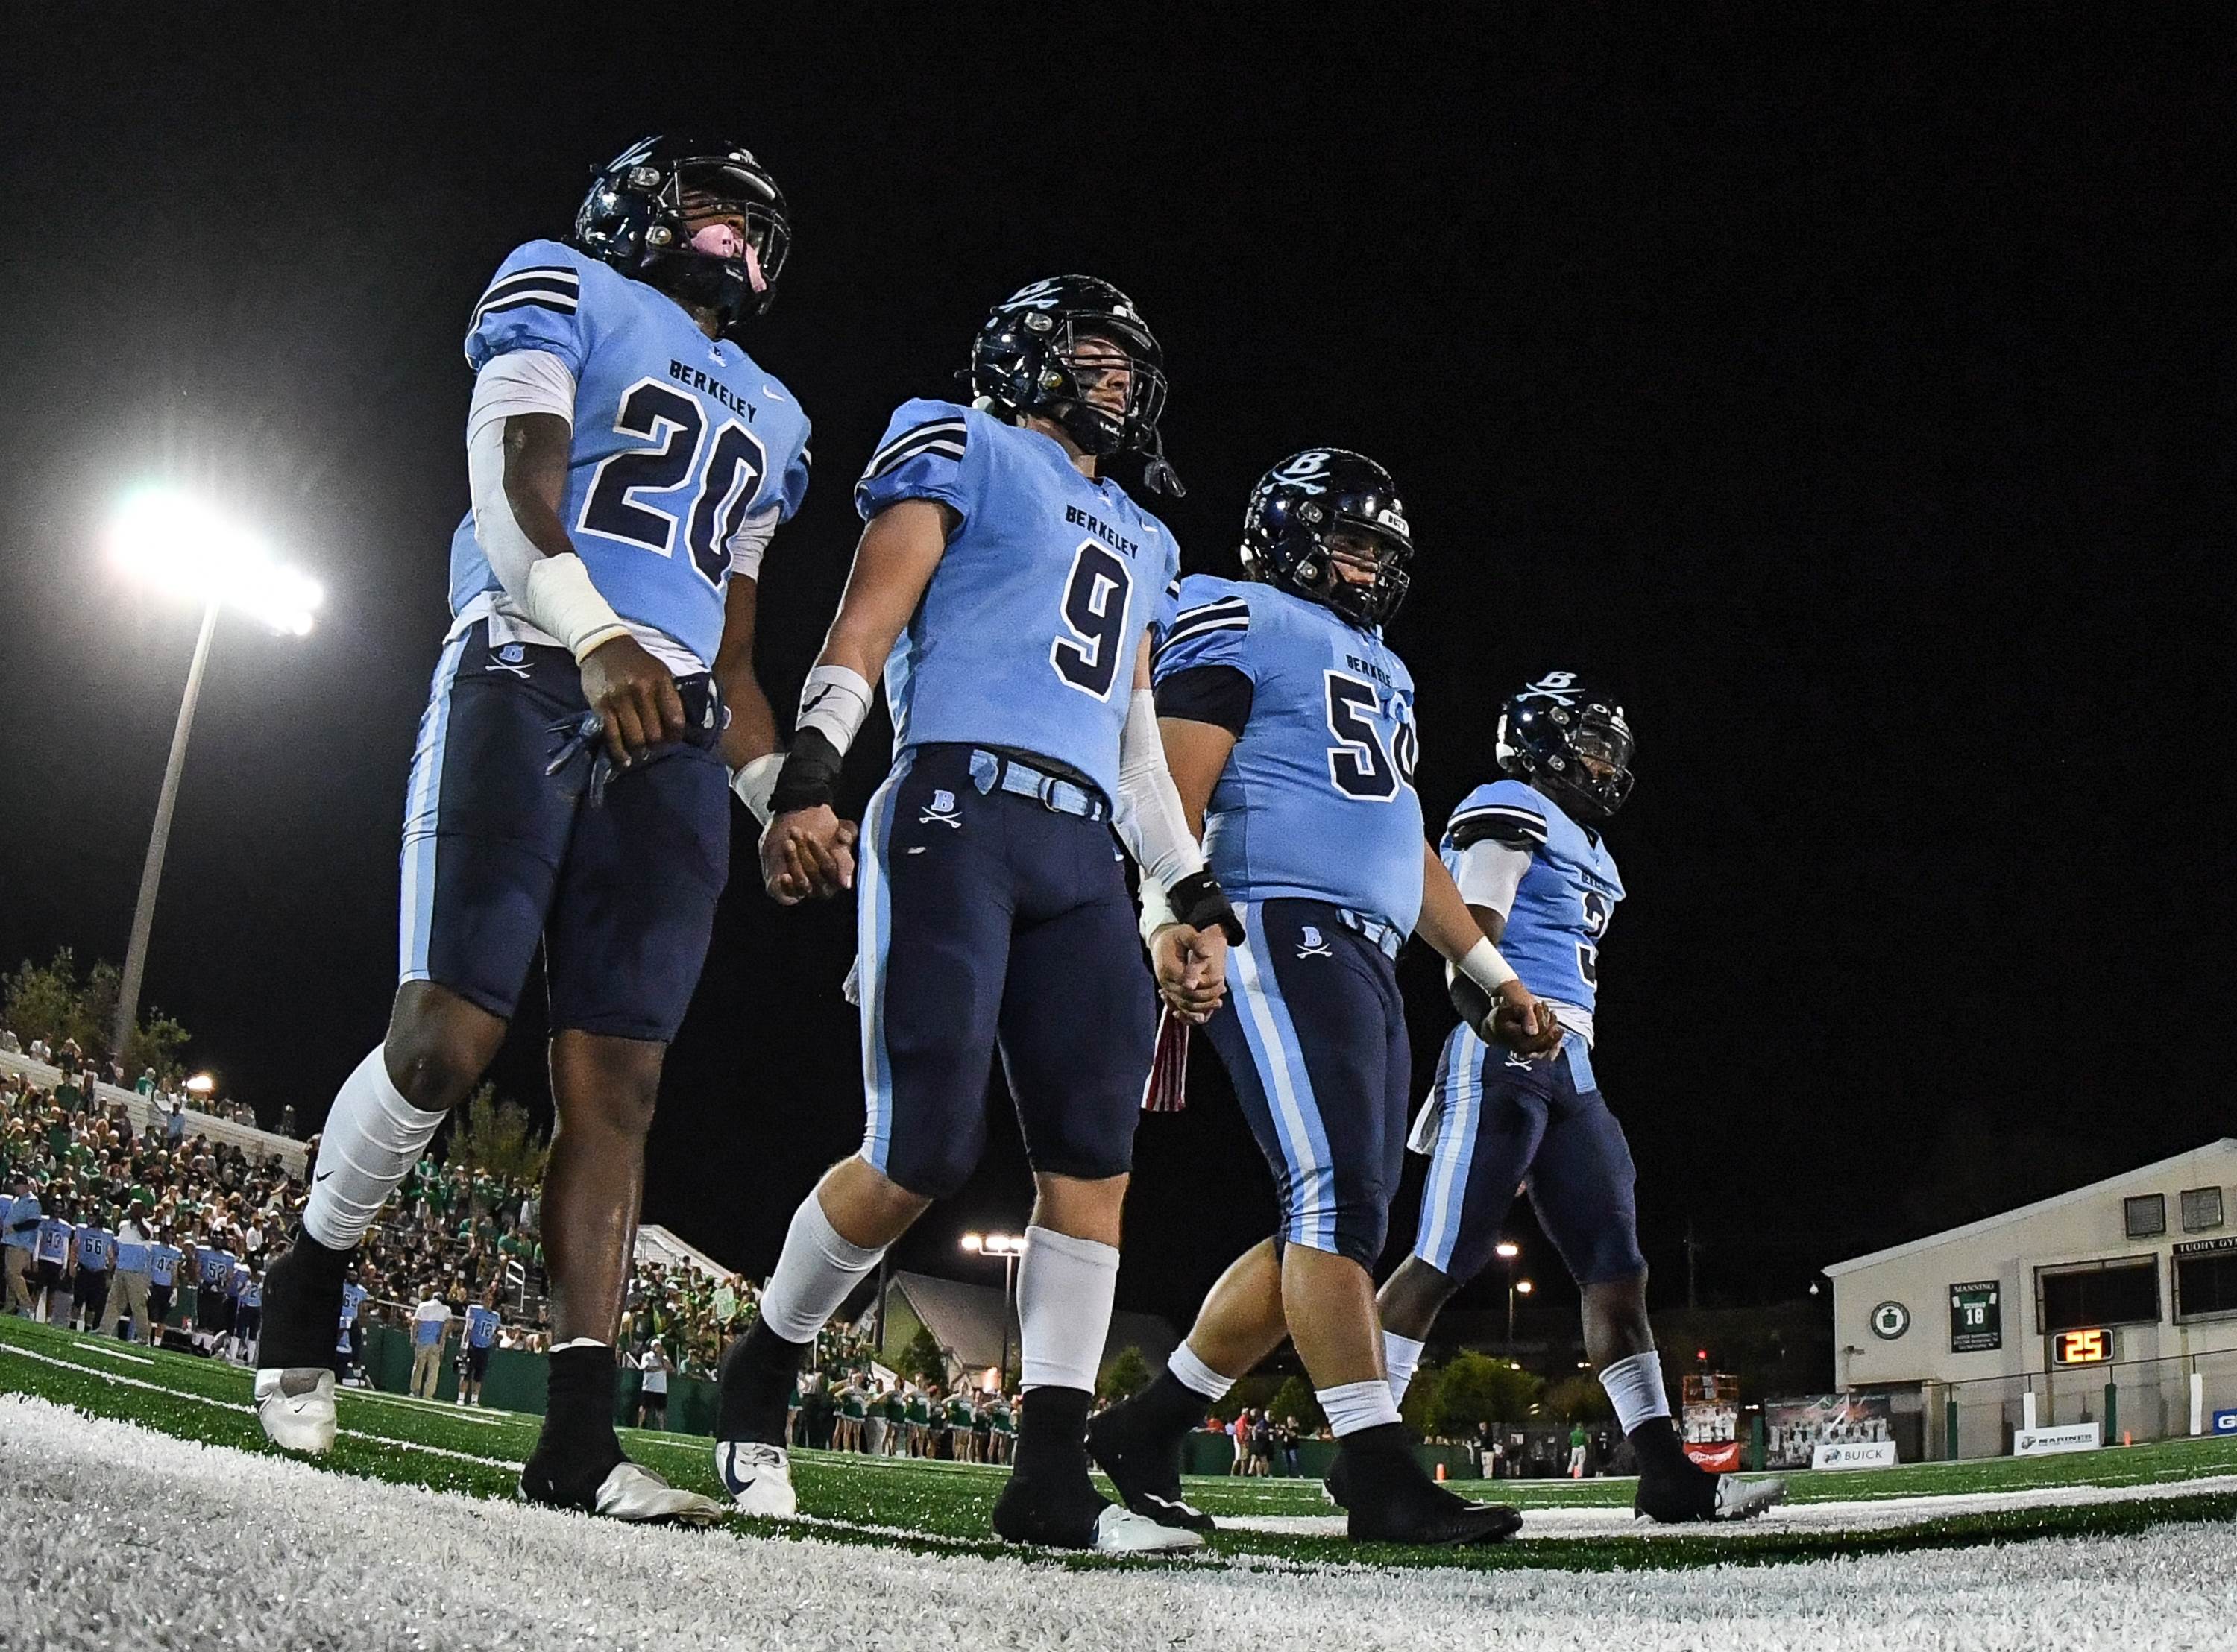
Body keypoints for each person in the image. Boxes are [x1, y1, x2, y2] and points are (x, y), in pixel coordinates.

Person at [253, 135, 805, 1530]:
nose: (731, 237)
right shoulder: (557, 280)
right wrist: (594, 633)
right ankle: (314, 1270)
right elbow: (513, 491)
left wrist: (781, 797)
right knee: (446, 1041)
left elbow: (735, 663)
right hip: (529, 660)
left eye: (752, 222)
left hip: (669, 718)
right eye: (707, 210)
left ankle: (575, 1435)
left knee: (619, 1084)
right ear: (635, 208)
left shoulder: (780, 417)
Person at [711, 277, 1228, 1558]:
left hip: (1079, 851)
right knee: (923, 1146)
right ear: (1026, 357)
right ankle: (762, 1369)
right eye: (1094, 356)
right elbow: (868, 616)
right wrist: (815, 768)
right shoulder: (961, 438)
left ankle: (1050, 1480)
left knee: (1092, 1164)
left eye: (1128, 359)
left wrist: (1179, 891)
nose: (1119, 380)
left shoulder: (1147, 536)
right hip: (956, 804)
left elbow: (1134, 742)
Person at [1086, 453, 1558, 1547]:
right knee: (1332, 1196)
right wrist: (1172, 910)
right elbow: (1169, 775)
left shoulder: (1383, 670)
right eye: (1346, 542)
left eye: (1380, 552)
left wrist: (1490, 976)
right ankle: (1376, 1468)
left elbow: (1403, 840)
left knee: (1337, 1212)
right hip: (1273, 918)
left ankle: (1150, 1427)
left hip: (1367, 943)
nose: (1366, 568)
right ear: (1289, 535)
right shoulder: (1238, 613)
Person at [1376, 674, 1785, 1524]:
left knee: (1618, 1271)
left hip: (1576, 1064)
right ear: (1540, 741)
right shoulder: (1506, 803)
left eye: (1611, 750)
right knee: (1444, 1257)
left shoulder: (1591, 845)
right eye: (1591, 744)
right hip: (1504, 1047)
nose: (1605, 765)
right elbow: (1468, 933)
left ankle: (1667, 1470)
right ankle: (1365, 1448)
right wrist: (1499, 1008)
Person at [102, 1212, 155, 1343]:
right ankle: (104, 1330)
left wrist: (139, 1222)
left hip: (137, 1272)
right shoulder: (124, 1226)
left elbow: (147, 1236)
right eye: (133, 1209)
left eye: (138, 1209)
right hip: (121, 1269)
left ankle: (143, 1337)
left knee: (138, 1305)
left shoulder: (147, 1227)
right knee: (114, 1301)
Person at [4, 1175, 43, 1315]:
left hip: (21, 1243)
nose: (16, 1187)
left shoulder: (32, 1202)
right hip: (11, 1240)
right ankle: (10, 1305)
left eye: (19, 1185)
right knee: (9, 1275)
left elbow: (34, 1222)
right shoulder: (17, 1200)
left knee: (13, 1273)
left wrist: (15, 1228)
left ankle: (27, 1305)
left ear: (26, 1186)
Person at [459, 1290, 502, 1406]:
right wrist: (464, 1345)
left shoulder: (495, 1316)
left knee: (479, 1375)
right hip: (473, 1345)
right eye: (487, 1300)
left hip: (485, 1347)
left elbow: (495, 1332)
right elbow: (468, 1329)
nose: (489, 1302)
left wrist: (495, 1341)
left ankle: (474, 1399)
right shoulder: (475, 1310)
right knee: (466, 1373)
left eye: (491, 1300)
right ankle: (461, 1398)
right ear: (482, 1300)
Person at [409, 1290, 453, 1400]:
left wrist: (413, 1338)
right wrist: (442, 1345)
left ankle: (415, 1391)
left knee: (418, 1367)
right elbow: (446, 1328)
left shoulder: (422, 1306)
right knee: (433, 1370)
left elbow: (415, 1323)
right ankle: (428, 1394)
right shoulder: (446, 1310)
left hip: (422, 1340)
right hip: (435, 1342)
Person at [636, 1342, 672, 1431]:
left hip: (661, 1388)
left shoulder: (665, 1358)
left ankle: (662, 1429)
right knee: (644, 1407)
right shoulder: (647, 1356)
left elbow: (670, 1369)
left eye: (660, 1346)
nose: (658, 1348)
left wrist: (662, 1358)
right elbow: (645, 1367)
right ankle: (639, 1425)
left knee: (660, 1410)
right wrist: (659, 1369)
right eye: (656, 1346)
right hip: (649, 1386)